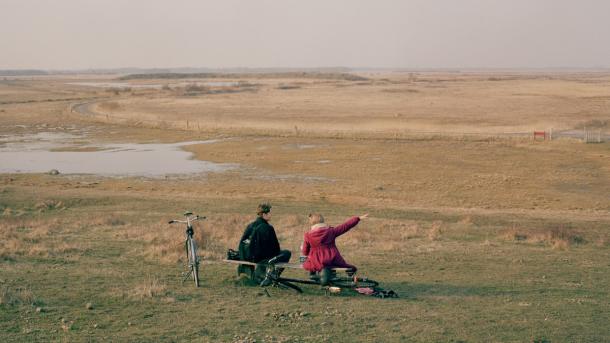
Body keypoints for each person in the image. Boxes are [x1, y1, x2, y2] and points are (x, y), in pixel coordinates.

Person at [301, 213, 368, 284]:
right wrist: (357, 218)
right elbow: (345, 226)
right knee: (343, 265)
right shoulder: (331, 231)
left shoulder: (307, 235)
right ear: (322, 220)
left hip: (316, 260)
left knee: (309, 263)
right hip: (332, 259)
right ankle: (337, 276)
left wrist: (306, 251)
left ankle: (314, 276)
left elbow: (305, 252)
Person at [237, 203, 291, 283]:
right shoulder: (268, 228)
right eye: (269, 213)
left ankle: (266, 275)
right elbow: (275, 248)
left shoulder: (250, 225)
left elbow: (242, 242)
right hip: (259, 258)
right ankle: (272, 276)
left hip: (247, 256)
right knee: (287, 253)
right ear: (264, 214)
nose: (271, 215)